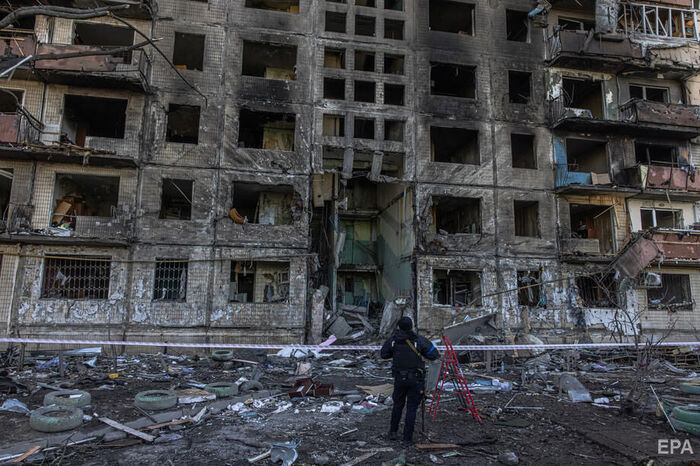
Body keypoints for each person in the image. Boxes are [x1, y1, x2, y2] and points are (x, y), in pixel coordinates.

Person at [380, 316, 440, 445]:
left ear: (399, 326)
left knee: (397, 405)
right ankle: (407, 439)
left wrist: (396, 353)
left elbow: (383, 354)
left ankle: (393, 432)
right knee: (411, 408)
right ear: (411, 326)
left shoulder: (393, 341)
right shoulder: (419, 340)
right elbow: (434, 355)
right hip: (415, 379)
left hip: (399, 378)